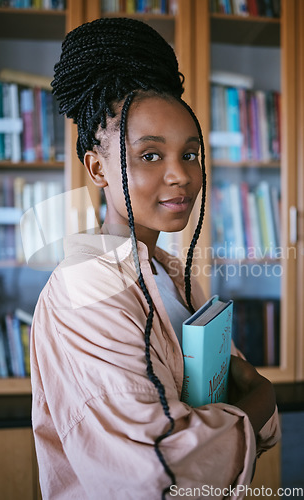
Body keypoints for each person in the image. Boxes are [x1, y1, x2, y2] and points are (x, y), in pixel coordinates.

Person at [30, 17, 280, 500]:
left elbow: (229, 409)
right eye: (150, 155)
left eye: (190, 154)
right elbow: (158, 470)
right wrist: (262, 402)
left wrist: (242, 413)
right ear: (97, 167)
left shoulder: (171, 274)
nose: (180, 176)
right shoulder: (86, 289)